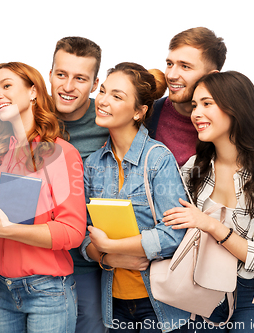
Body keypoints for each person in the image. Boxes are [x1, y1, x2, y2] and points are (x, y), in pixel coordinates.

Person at [147, 27, 254, 291]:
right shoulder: (154, 114)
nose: (172, 74)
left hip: (247, 264)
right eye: (170, 63)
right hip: (189, 265)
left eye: (185, 66)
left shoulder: (239, 121)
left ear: (212, 76)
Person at [163, 71, 254, 332]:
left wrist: (210, 225)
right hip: (203, 284)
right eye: (194, 105)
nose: (196, 114)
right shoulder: (194, 169)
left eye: (207, 104)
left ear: (235, 109)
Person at [80, 62, 191, 332]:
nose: (103, 101)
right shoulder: (93, 164)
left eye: (117, 97)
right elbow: (83, 237)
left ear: (139, 112)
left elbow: (174, 235)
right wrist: (107, 258)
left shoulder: (157, 158)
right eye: (103, 92)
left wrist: (113, 246)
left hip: (158, 304)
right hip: (114, 303)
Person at [0, 62, 86, 333]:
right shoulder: (0, 154)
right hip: (4, 290)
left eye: (7, 86)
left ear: (32, 92)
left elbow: (73, 232)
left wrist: (8, 229)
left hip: (48, 291)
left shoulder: (61, 153)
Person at [48, 36, 109, 333]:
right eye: (61, 74)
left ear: (95, 84)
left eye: (80, 78)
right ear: (50, 74)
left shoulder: (110, 120)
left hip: (87, 264)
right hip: (33, 262)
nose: (68, 87)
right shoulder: (28, 115)